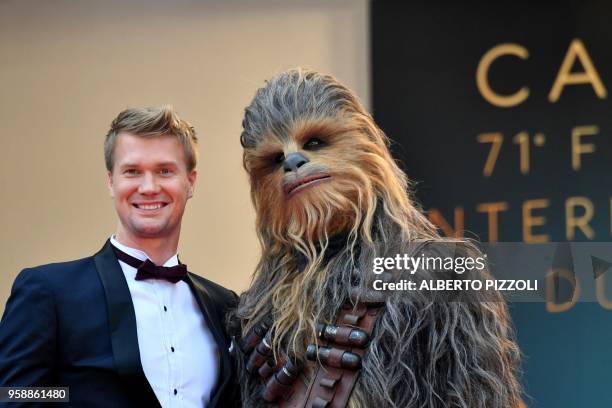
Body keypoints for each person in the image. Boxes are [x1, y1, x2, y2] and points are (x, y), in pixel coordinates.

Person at [231, 69, 522, 407]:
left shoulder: (441, 270)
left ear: (366, 146)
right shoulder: (254, 315)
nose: (293, 161)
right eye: (276, 159)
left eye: (314, 142)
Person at [0, 106, 237, 407]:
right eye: (132, 171)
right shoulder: (48, 291)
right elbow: (12, 393)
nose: (149, 187)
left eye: (165, 170)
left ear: (190, 182)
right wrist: (78, 396)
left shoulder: (224, 306)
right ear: (111, 181)